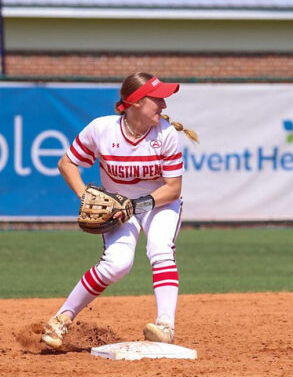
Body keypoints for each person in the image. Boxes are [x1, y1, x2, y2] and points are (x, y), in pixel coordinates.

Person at [41, 72, 198, 350]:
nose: (163, 106)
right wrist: (85, 196)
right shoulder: (102, 129)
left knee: (160, 248)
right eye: (157, 99)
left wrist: (135, 207)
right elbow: (67, 163)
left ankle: (165, 326)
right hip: (117, 206)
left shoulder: (166, 135)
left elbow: (173, 188)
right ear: (136, 102)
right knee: (117, 265)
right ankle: (60, 320)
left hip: (160, 202)